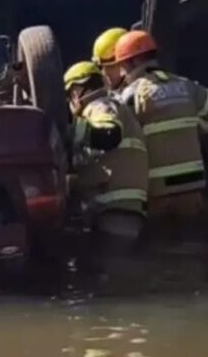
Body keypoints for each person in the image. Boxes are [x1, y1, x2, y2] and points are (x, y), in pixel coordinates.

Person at [110, 30, 208, 217]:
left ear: (133, 62)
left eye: (122, 66)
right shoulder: (188, 86)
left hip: (157, 190)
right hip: (193, 187)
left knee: (159, 242)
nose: (122, 73)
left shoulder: (131, 96)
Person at [64, 61, 149, 242]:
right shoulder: (102, 108)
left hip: (117, 212)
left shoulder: (101, 105)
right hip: (114, 209)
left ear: (77, 91)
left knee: (117, 266)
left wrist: (70, 131)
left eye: (69, 94)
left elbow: (109, 135)